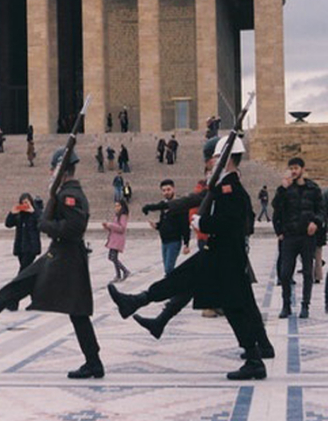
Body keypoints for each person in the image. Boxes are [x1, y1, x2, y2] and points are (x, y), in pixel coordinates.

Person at [108, 135, 273, 380]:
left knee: (232, 304)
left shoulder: (232, 189)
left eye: (216, 157)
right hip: (221, 255)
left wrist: (202, 221)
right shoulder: (223, 186)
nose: (212, 161)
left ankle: (254, 359)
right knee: (192, 284)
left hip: (225, 256)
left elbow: (231, 223)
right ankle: (137, 301)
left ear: (226, 159)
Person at [0, 148, 104, 379]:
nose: (49, 172)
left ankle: (94, 362)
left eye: (52, 168)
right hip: (61, 254)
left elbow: (75, 227)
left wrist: (45, 224)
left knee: (76, 310)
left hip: (67, 256)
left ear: (60, 170)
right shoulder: (65, 191)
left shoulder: (70, 194)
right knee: (26, 281)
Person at [272, 157, 323, 319]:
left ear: (302, 169)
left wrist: (316, 222)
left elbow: (321, 211)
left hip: (307, 237)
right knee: (285, 273)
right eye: (291, 168)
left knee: (308, 272)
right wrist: (282, 189)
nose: (293, 171)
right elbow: (276, 208)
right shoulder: (285, 189)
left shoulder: (313, 188)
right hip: (290, 236)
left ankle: (305, 305)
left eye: (296, 168)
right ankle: (286, 305)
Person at [142, 179, 191, 276]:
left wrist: (186, 243)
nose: (166, 192)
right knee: (167, 269)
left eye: (168, 190)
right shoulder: (163, 204)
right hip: (164, 241)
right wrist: (157, 226)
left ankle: (172, 287)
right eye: (164, 190)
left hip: (174, 241)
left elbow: (185, 225)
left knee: (169, 269)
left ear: (173, 189)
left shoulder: (179, 204)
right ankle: (172, 288)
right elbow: (164, 222)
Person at [3, 193, 42, 310]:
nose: (25, 205)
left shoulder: (36, 213)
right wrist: (12, 213)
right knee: (28, 276)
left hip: (31, 248)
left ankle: (13, 301)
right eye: (23, 203)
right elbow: (8, 224)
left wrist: (33, 212)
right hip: (21, 248)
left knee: (22, 275)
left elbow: (42, 223)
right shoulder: (20, 215)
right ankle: (36, 301)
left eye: (27, 202)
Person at [104, 200, 131, 282]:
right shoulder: (117, 215)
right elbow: (115, 226)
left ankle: (123, 272)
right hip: (113, 239)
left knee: (113, 257)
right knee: (111, 257)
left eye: (118, 206)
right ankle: (120, 273)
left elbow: (122, 228)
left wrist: (110, 225)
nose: (116, 208)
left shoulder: (123, 216)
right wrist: (107, 227)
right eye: (115, 206)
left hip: (117, 240)